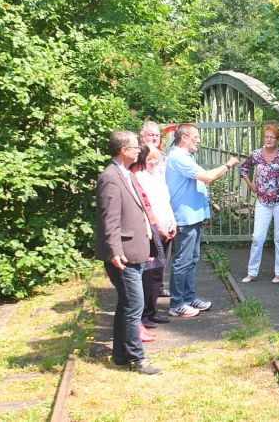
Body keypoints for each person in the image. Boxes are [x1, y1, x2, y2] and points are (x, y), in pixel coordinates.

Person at [95, 130, 161, 375]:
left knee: (126, 304)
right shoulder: (110, 178)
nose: (139, 150)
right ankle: (137, 358)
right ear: (123, 150)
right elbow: (109, 218)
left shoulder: (127, 174)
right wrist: (114, 250)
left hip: (135, 249)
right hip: (122, 254)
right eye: (135, 147)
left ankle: (121, 355)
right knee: (134, 304)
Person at [165, 123, 239, 317]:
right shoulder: (179, 157)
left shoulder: (185, 157)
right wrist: (228, 164)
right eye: (195, 137)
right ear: (185, 138)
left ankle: (189, 298)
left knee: (192, 259)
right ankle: (176, 303)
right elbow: (207, 177)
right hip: (184, 218)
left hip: (193, 216)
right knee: (182, 261)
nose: (198, 140)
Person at [132, 144, 176, 329]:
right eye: (149, 159)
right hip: (152, 230)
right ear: (142, 160)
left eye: (155, 159)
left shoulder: (158, 176)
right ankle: (144, 314)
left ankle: (152, 311)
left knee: (158, 272)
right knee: (149, 274)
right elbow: (147, 207)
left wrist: (172, 222)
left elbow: (165, 202)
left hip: (166, 227)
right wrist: (159, 228)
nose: (153, 162)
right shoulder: (139, 178)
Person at [239, 125, 279, 283]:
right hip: (262, 201)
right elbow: (243, 169)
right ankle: (252, 272)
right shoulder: (255, 154)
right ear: (263, 138)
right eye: (266, 136)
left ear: (277, 139)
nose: (269, 139)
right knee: (257, 237)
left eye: (272, 137)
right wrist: (251, 185)